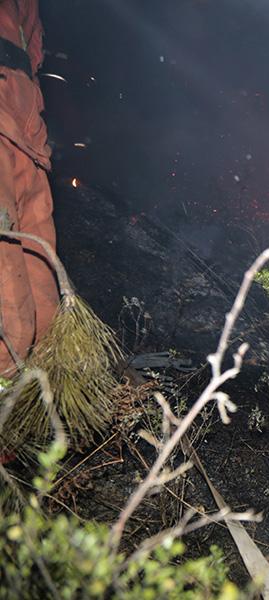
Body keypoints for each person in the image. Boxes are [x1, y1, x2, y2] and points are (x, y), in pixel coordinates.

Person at [0, 0, 59, 462]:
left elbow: (31, 42)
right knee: (7, 290)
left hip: (24, 120)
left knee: (43, 292)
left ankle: (37, 409)